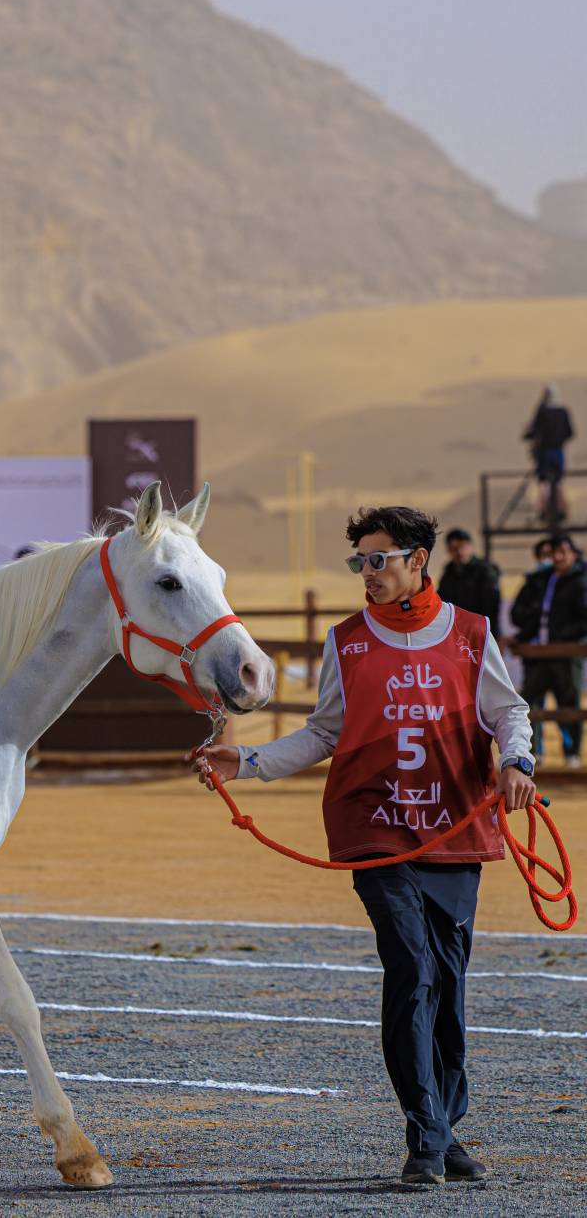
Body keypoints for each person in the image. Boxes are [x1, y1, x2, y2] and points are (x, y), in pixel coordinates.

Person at [195, 505, 534, 1186]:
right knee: (410, 968)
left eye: (377, 560)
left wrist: (516, 761)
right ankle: (425, 1139)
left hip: (454, 828)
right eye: (359, 562)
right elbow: (323, 733)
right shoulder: (345, 641)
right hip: (373, 828)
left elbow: (508, 712)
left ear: (417, 560)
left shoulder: (469, 635)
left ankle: (441, 1126)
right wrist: (249, 763)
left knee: (447, 982)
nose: (365, 574)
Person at [509, 534, 587, 767]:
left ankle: (571, 753)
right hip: (539, 654)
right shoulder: (541, 580)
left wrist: (563, 638)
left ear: (573, 553)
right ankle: (533, 752)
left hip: (566, 654)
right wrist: (524, 636)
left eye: (563, 551)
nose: (558, 557)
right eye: (554, 552)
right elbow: (524, 613)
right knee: (528, 703)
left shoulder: (581, 581)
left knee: (569, 703)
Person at [523, 384, 575, 523]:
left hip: (544, 453)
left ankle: (543, 509)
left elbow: (533, 431)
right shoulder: (563, 411)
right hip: (558, 452)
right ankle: (561, 509)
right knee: (558, 481)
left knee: (543, 482)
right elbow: (570, 432)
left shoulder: (543, 411)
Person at [436, 529, 500, 636]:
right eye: (454, 548)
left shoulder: (484, 570)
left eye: (463, 547)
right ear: (448, 550)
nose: (459, 552)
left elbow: (491, 607)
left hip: (481, 631)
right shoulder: (448, 573)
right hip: (456, 631)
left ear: (470, 546)